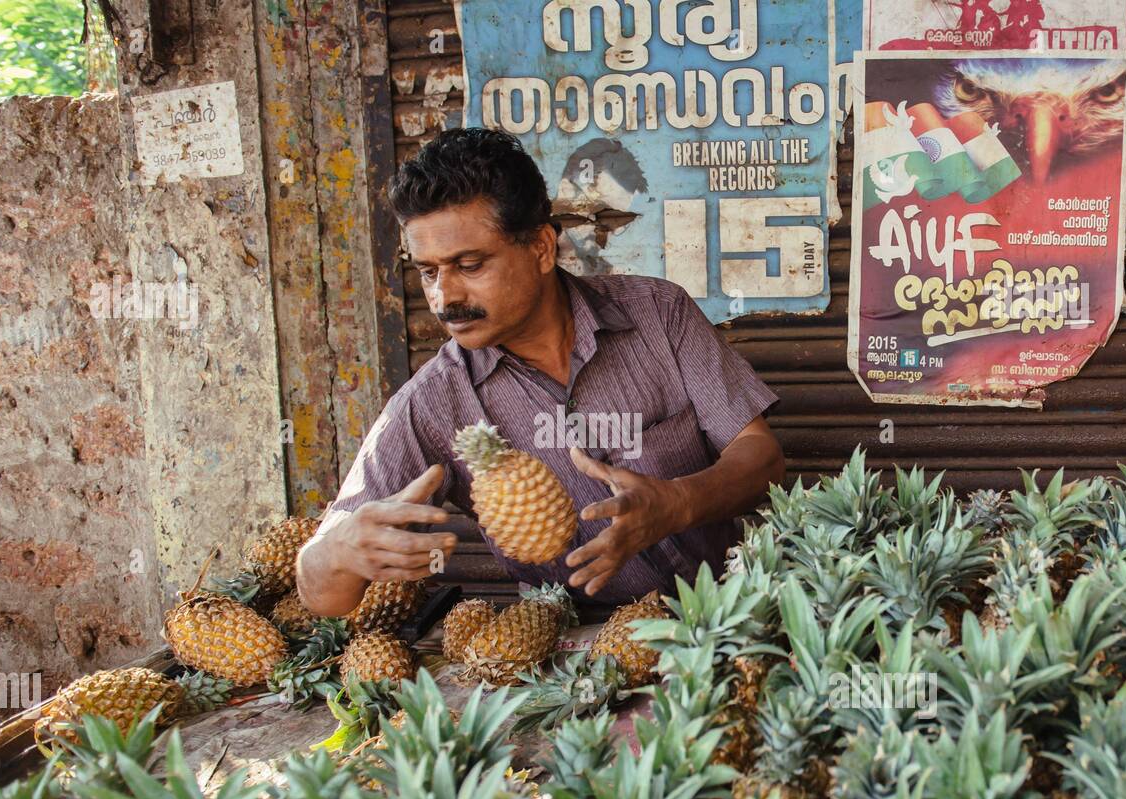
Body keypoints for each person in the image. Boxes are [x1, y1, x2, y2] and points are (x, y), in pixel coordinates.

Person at [296, 128, 784, 613]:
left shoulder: (658, 313)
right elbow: (319, 590)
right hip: (580, 654)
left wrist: (677, 502)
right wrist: (340, 554)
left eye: (469, 265)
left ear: (542, 249)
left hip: (736, 612)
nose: (444, 299)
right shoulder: (434, 401)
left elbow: (761, 457)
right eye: (428, 272)